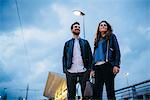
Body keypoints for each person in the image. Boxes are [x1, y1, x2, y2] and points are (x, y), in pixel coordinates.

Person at [91, 20, 121, 100]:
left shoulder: (111, 37)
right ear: (99, 28)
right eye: (101, 25)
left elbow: (117, 51)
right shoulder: (97, 40)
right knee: (97, 92)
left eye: (105, 25)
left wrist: (116, 65)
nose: (103, 26)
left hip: (107, 65)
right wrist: (92, 69)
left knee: (110, 91)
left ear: (107, 27)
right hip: (97, 68)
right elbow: (94, 56)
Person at [62, 22, 92, 99]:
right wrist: (65, 70)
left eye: (79, 27)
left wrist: (89, 69)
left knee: (86, 94)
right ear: (72, 29)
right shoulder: (67, 43)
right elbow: (64, 57)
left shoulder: (85, 42)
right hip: (70, 72)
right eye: (75, 27)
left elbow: (90, 56)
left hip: (84, 71)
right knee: (71, 94)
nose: (77, 28)